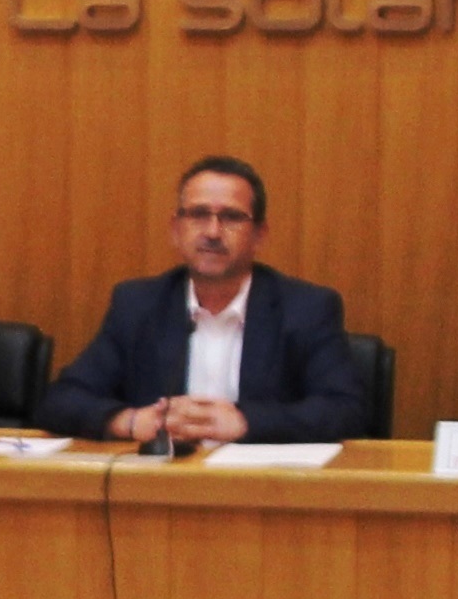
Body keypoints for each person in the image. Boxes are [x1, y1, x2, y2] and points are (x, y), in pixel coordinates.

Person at [42, 156, 368, 446]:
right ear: (176, 229)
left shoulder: (307, 309)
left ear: (259, 236)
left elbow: (345, 410)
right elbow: (61, 400)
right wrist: (132, 421)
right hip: (160, 491)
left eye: (231, 217)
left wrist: (245, 422)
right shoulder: (139, 305)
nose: (212, 231)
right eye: (198, 214)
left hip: (263, 494)